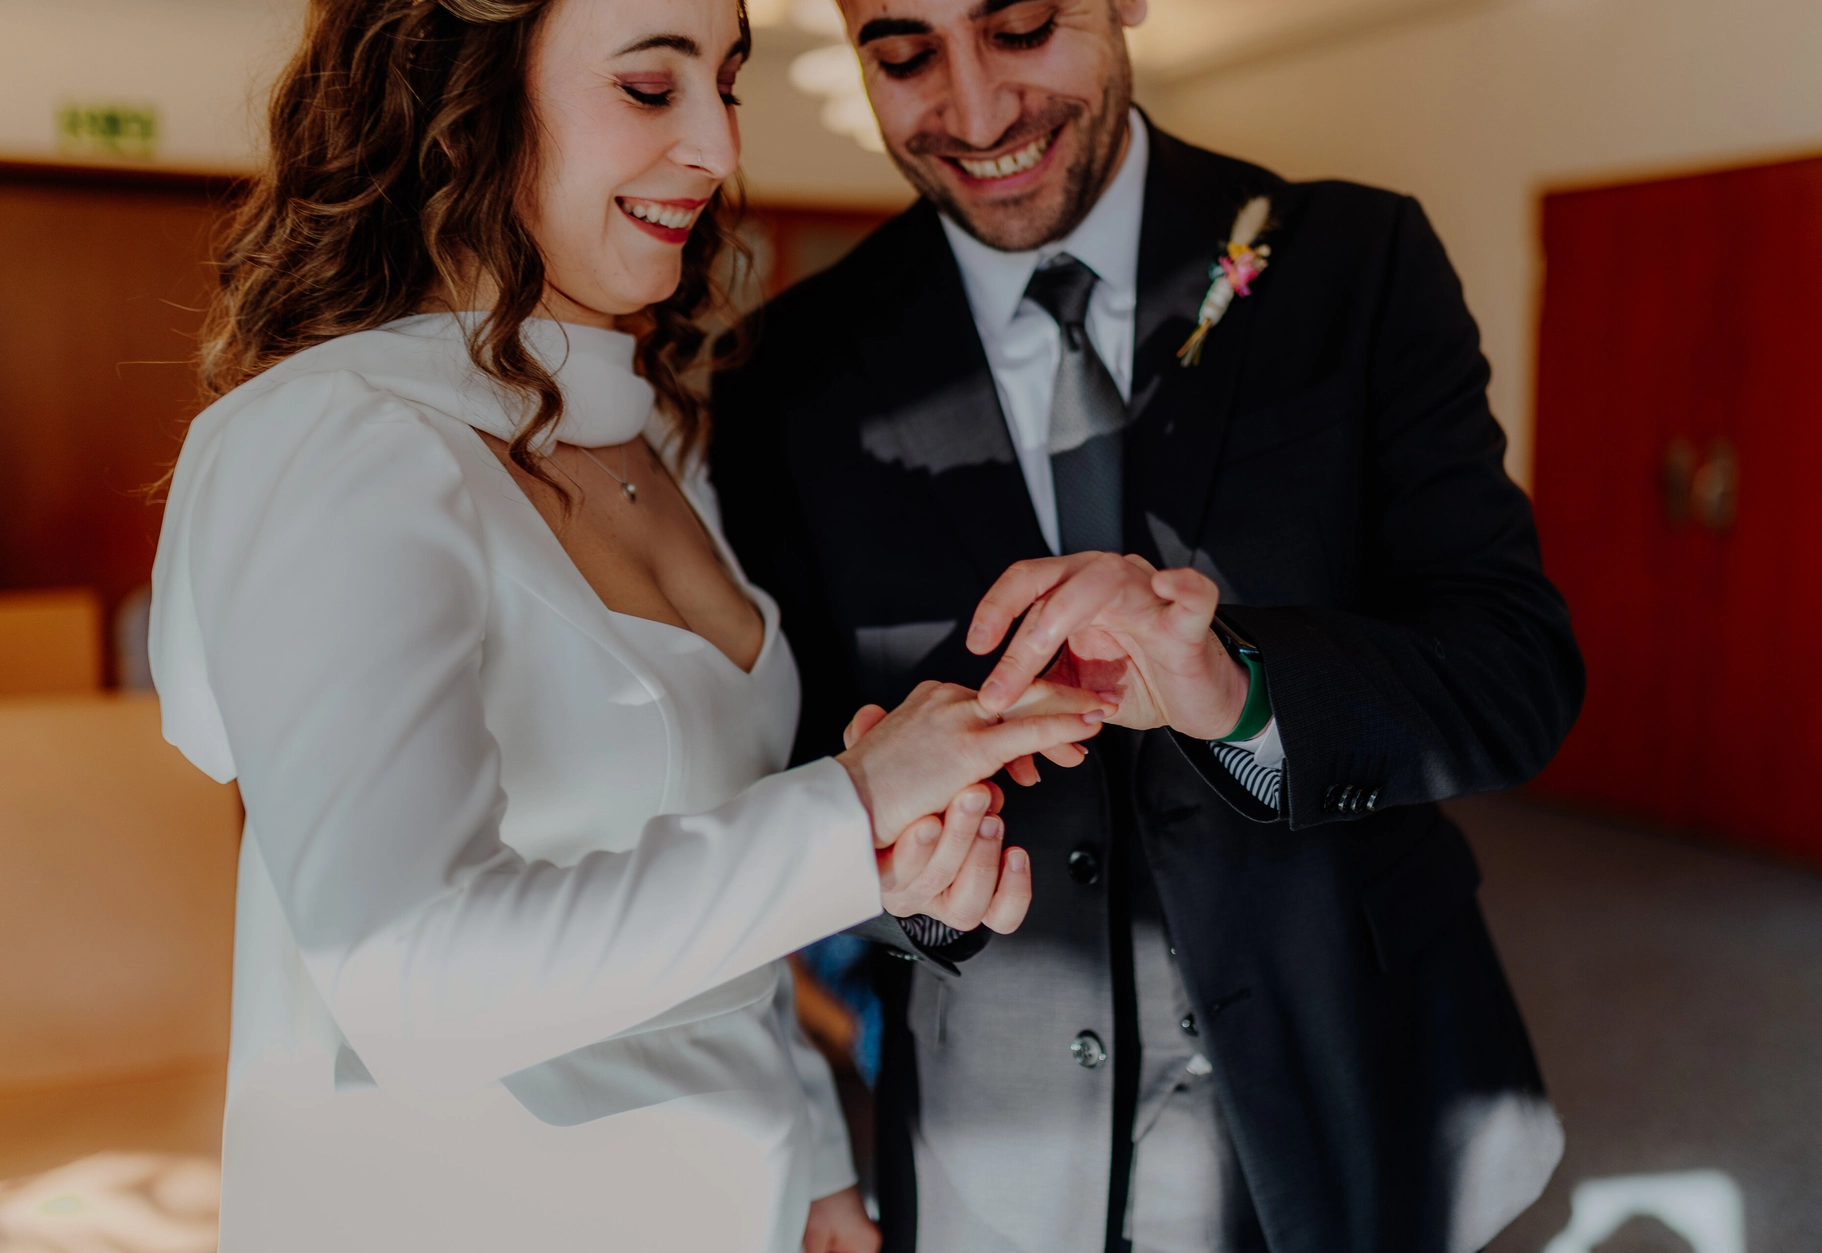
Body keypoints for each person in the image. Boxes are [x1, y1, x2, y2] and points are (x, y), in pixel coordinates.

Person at [146, 1, 1106, 1250]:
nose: (716, 145)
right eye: (653, 91)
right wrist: (851, 808)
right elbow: (411, 981)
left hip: (746, 1197)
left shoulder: (650, 429)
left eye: (726, 83)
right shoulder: (335, 441)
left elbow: (699, 868)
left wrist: (815, 1140)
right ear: (463, 100)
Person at [709, 0, 1587, 1248]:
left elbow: (1515, 670)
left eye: (1019, 26)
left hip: (1351, 1071)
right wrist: (915, 888)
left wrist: (1241, 689)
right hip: (994, 1130)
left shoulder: (1354, 260)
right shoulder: (776, 377)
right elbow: (795, 776)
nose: (972, 111)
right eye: (901, 55)